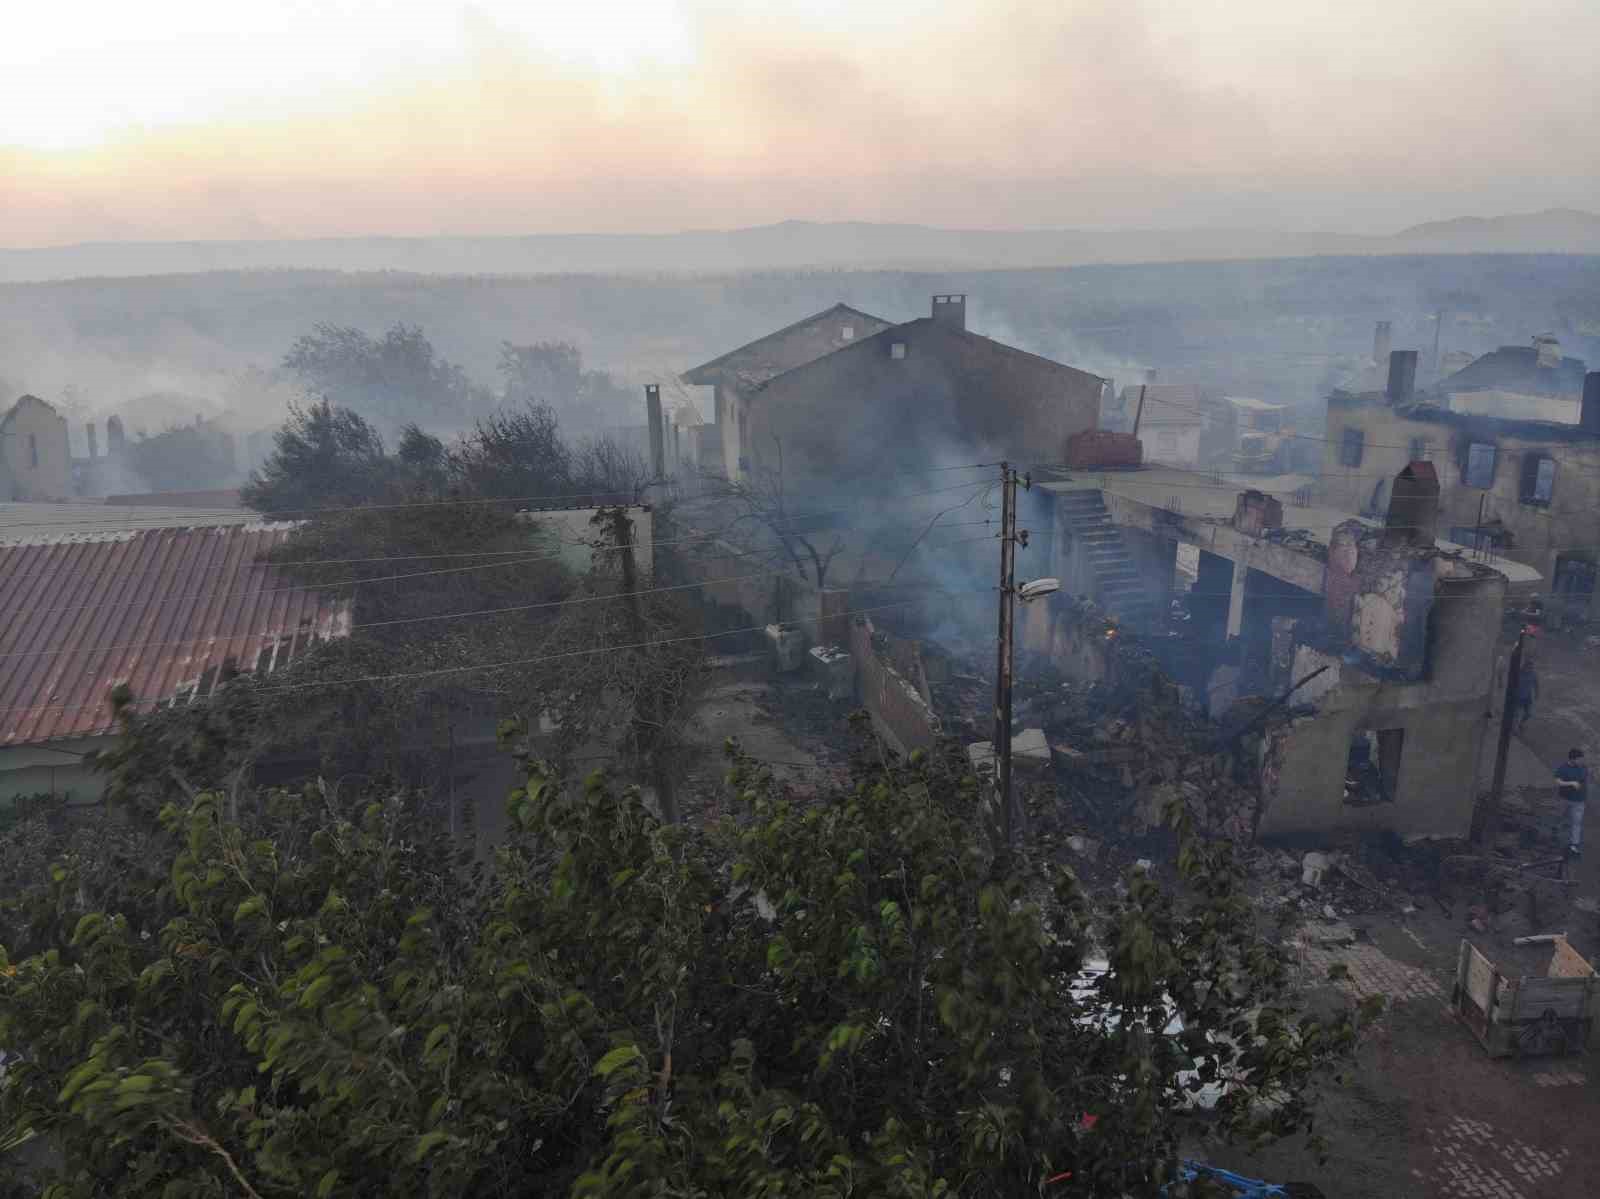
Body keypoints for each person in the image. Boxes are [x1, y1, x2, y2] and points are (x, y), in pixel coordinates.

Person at [1555, 748, 1588, 860]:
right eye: (1579, 759)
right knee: (1561, 819)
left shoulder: (1583, 767)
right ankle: (1558, 840)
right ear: (1573, 759)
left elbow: (1583, 780)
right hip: (1564, 799)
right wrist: (1571, 783)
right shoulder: (1563, 768)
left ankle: (1574, 845)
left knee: (1576, 823)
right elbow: (1558, 781)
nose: (1581, 761)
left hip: (1579, 801)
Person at [1516, 662, 1539, 731]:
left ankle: (1521, 723)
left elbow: (1536, 684)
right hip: (1518, 697)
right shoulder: (1519, 673)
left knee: (1528, 713)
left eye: (1531, 668)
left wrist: (1537, 693)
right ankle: (1515, 728)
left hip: (1528, 697)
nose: (1530, 669)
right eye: (1529, 668)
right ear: (1524, 667)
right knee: (1517, 714)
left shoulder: (1533, 674)